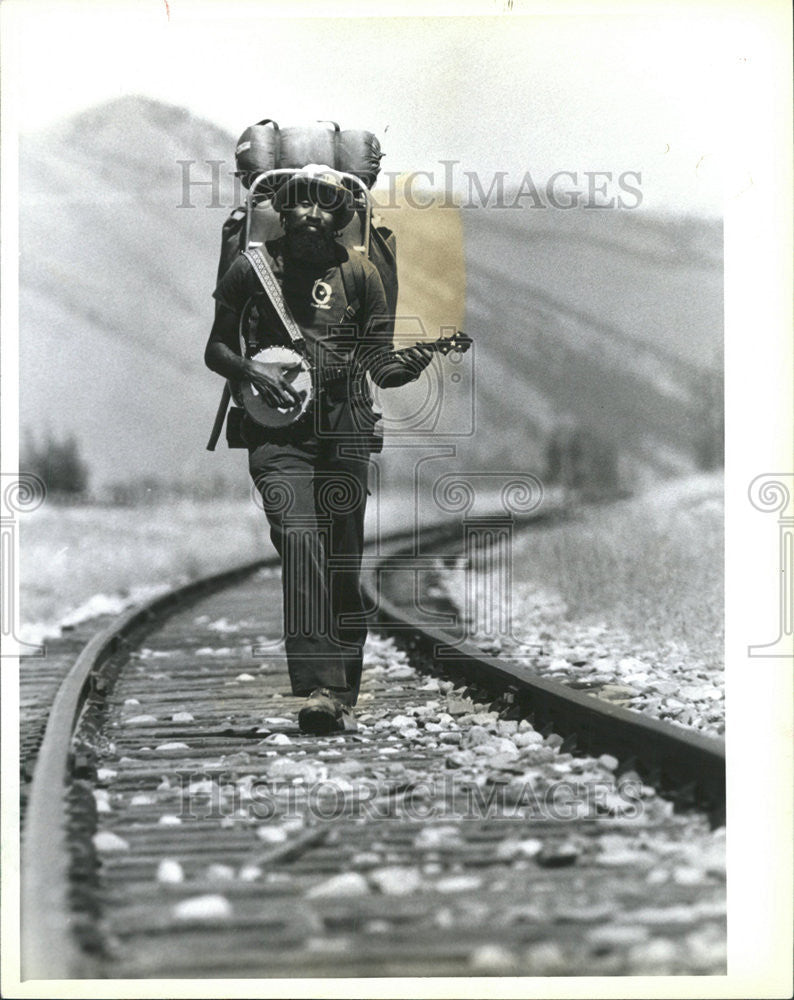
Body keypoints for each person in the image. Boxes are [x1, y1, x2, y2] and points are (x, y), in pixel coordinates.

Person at [205, 164, 434, 734]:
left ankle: (342, 692)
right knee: (300, 535)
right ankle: (319, 688)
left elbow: (381, 365)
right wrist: (251, 372)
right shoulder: (250, 269)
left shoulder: (361, 274)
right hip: (277, 435)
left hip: (346, 428)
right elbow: (215, 347)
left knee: (343, 555)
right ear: (281, 212)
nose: (311, 214)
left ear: (340, 215)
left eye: (324, 204)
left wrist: (413, 364)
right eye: (299, 203)